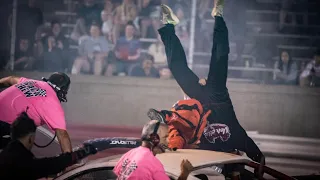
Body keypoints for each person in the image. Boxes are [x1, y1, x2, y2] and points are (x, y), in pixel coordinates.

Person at [148, 1, 265, 169]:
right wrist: (259, 169)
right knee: (220, 56)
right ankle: (218, 16)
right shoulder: (239, 138)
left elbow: (185, 140)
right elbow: (259, 158)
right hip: (219, 96)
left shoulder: (205, 148)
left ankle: (169, 25)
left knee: (177, 68)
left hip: (200, 100)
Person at [0, 112, 97, 179]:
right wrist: (84, 151)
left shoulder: (7, 152)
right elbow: (52, 164)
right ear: (30, 138)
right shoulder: (20, 160)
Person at [0, 72, 72, 153]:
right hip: (5, 123)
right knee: (20, 145)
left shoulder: (31, 82)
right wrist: (70, 159)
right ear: (62, 91)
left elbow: (10, 79)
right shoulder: (52, 103)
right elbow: (62, 135)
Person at [113, 120, 193, 180]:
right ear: (154, 138)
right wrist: (185, 173)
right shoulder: (152, 164)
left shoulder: (130, 153)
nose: (168, 141)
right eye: (165, 137)